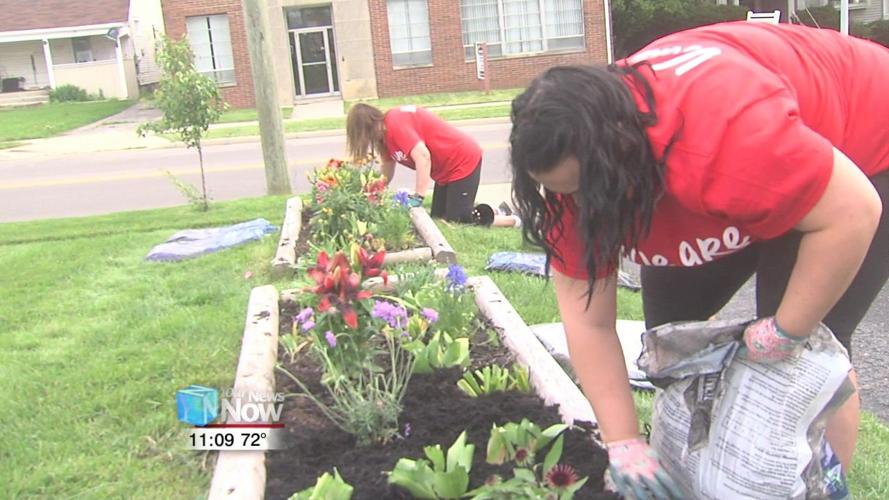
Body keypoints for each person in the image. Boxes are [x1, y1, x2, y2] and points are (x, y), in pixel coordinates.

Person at [509, 21, 888, 498]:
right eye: (567, 194)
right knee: (674, 342)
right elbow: (590, 324)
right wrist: (623, 440)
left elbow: (852, 213)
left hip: (864, 144)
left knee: (803, 355)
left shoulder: (722, 133)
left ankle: (824, 487)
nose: (582, 208)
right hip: (737, 169)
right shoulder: (571, 188)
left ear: (622, 152)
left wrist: (787, 329)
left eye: (590, 191)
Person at [346, 103, 484, 222]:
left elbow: (423, 157)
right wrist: (374, 191)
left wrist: (418, 197)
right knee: (438, 217)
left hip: (462, 159)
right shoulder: (383, 139)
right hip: (444, 171)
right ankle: (470, 207)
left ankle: (498, 215)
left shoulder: (394, 123)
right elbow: (387, 166)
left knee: (458, 219)